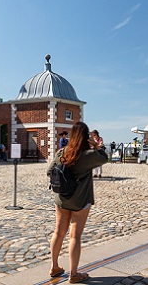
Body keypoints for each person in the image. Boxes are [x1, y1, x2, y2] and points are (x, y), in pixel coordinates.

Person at [47, 121, 108, 283]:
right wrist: (95, 145)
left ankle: (54, 267)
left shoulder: (62, 152)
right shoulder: (88, 155)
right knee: (75, 236)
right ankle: (74, 274)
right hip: (80, 200)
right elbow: (104, 158)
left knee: (58, 232)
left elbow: (49, 171)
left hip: (62, 198)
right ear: (85, 136)